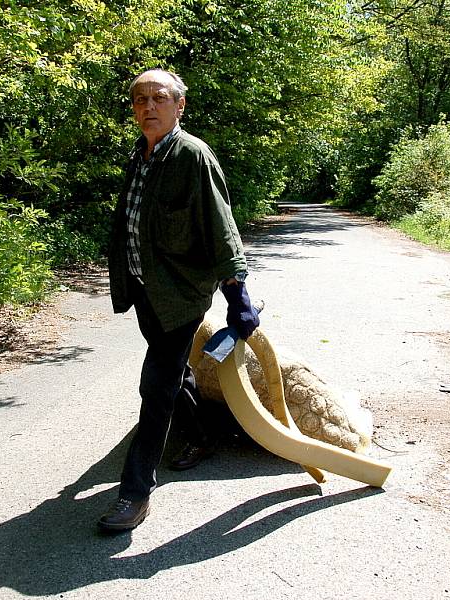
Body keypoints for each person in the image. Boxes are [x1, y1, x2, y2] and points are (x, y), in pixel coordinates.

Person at [98, 69, 260, 533]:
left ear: (179, 105)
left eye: (159, 98)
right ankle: (202, 435)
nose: (148, 106)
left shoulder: (192, 155)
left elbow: (220, 228)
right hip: (145, 287)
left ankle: (134, 492)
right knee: (174, 373)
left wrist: (237, 296)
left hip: (180, 293)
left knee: (156, 383)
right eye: (139, 100)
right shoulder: (141, 153)